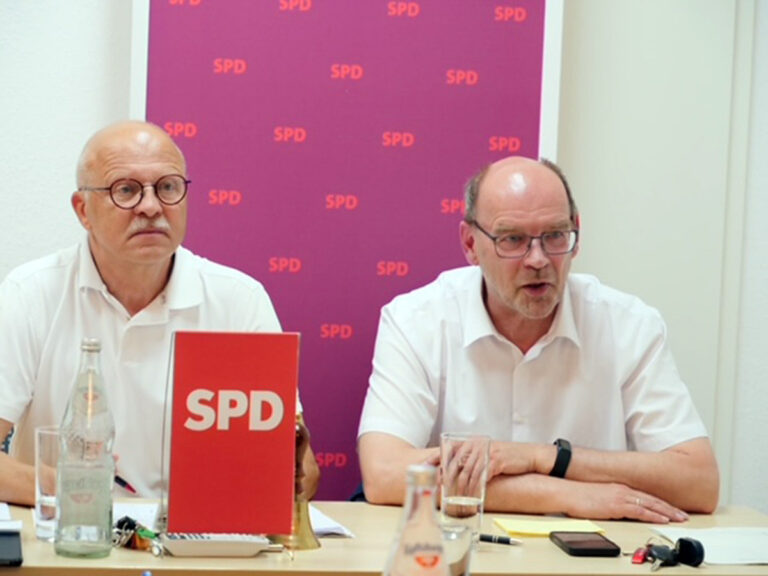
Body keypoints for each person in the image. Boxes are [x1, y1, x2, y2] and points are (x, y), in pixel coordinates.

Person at [357, 156, 719, 523]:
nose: (538, 259)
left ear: (576, 235)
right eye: (513, 239)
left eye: (555, 236)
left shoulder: (630, 326)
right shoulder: (416, 320)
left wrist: (544, 457)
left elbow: (699, 482)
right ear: (470, 243)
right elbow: (384, 473)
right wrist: (568, 494)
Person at [0, 121, 320, 505]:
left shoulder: (239, 300)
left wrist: (282, 476)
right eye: (126, 190)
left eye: (167, 188)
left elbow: (300, 470)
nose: (151, 207)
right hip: (73, 532)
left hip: (198, 545)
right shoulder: (30, 293)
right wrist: (79, 488)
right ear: (83, 210)